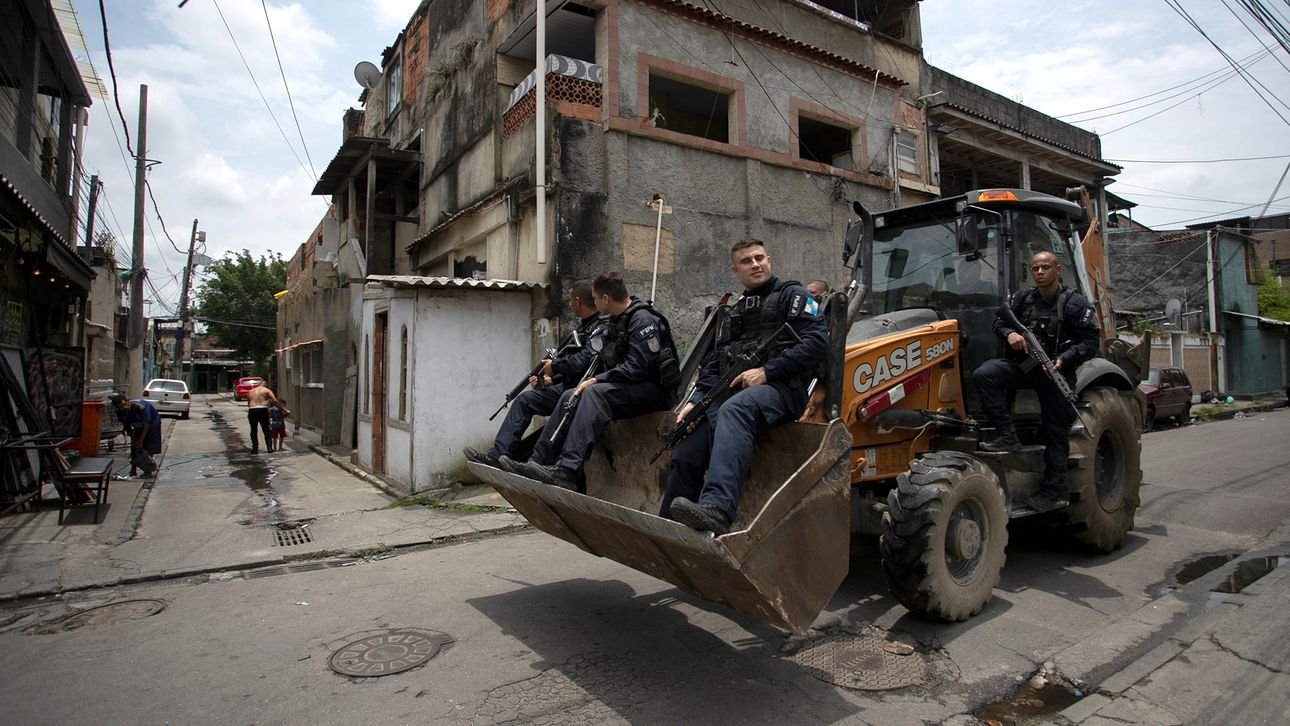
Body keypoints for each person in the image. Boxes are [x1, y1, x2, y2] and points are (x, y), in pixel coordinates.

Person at [665, 239, 830, 535]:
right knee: (687, 447)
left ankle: (718, 509)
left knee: (733, 409)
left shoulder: (792, 296)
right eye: (746, 261)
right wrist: (696, 401)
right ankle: (669, 525)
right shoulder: (739, 309)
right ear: (735, 270)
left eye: (758, 258)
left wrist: (767, 371)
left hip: (783, 391)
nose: (754, 264)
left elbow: (818, 344)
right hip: (734, 394)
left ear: (769, 259)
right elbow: (716, 361)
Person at [504, 271, 677, 491]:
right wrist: (555, 378)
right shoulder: (616, 321)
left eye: (595, 298)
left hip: (653, 391)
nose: (593, 303)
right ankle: (537, 462)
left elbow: (637, 368)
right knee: (570, 395)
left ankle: (567, 470)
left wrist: (596, 380)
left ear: (605, 299)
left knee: (594, 394)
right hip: (629, 387)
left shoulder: (642, 320)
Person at [972, 250, 1100, 513]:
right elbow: (998, 321)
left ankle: (1052, 491)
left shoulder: (1075, 304)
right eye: (1035, 268)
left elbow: (1090, 343)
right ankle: (1008, 436)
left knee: (1055, 431)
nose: (1040, 272)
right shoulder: (1022, 299)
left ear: (1057, 270)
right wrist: (1010, 334)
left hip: (1056, 373)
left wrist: (1064, 358)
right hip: (1026, 367)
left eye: (1045, 267)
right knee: (985, 374)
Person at [465, 280, 603, 468]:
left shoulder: (600, 328)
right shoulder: (581, 328)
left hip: (583, 391)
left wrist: (555, 367)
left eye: (570, 300)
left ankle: (531, 464)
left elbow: (583, 362)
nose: (569, 305)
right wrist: (547, 380)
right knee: (525, 400)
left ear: (578, 301)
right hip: (566, 387)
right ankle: (498, 455)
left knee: (555, 420)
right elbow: (570, 365)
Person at [111, 393, 162, 477]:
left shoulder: (141, 407)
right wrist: (135, 440)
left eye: (125, 404)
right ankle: (133, 469)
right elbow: (127, 426)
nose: (124, 407)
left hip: (152, 423)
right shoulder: (120, 412)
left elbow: (146, 424)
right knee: (135, 447)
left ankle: (147, 469)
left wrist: (141, 441)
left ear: (127, 401)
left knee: (148, 445)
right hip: (137, 424)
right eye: (121, 407)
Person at [245, 381, 286, 455]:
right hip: (262, 409)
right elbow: (274, 400)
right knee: (266, 430)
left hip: (252, 409)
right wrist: (281, 409)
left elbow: (248, 403)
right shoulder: (267, 390)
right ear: (266, 386)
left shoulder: (251, 391)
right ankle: (269, 448)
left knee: (253, 430)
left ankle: (255, 449)